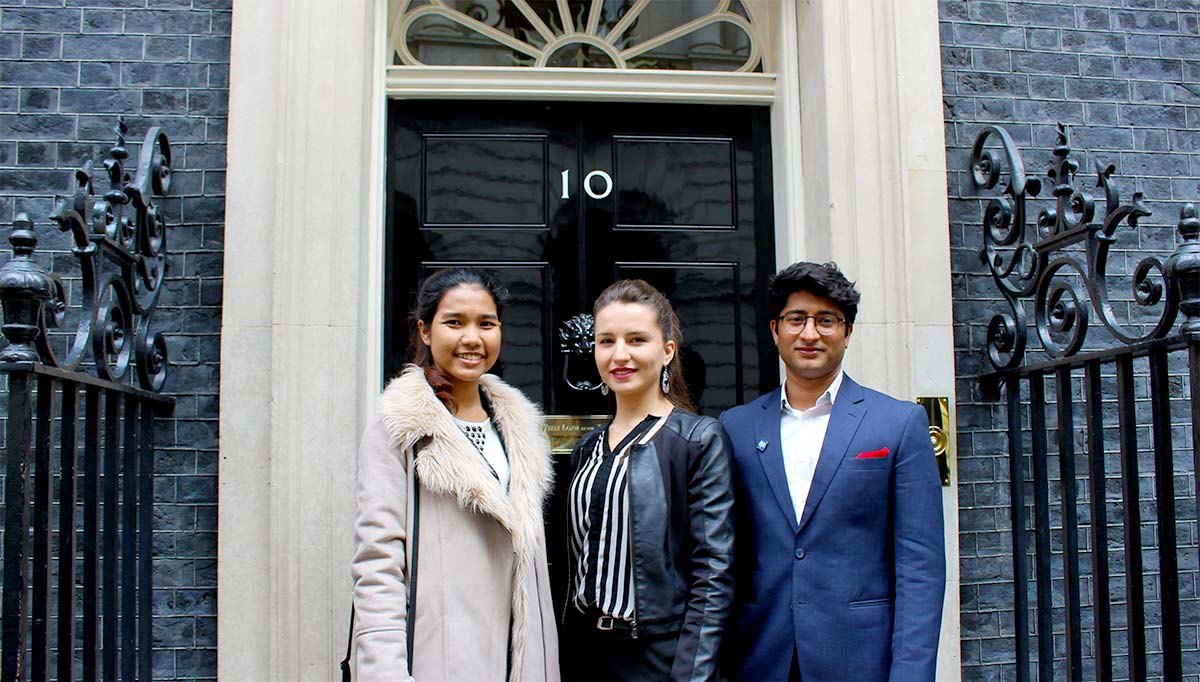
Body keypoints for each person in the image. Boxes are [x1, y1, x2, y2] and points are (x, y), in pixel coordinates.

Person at [720, 261, 945, 682]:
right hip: (760, 657)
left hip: (861, 660)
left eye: (826, 320)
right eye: (796, 319)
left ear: (847, 332)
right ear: (774, 329)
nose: (810, 334)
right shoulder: (736, 426)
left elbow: (921, 567)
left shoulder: (898, 423)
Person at [351, 268, 559, 681]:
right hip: (442, 659)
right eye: (454, 322)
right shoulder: (401, 428)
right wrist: (386, 672)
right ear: (425, 331)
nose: (472, 338)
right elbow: (378, 562)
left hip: (522, 659)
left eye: (486, 323)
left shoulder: (518, 426)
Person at [560, 279, 734, 682]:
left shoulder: (697, 439)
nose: (620, 354)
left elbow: (714, 572)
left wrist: (693, 673)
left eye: (637, 339)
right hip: (585, 654)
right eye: (607, 341)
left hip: (660, 655)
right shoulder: (586, 448)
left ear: (667, 350)